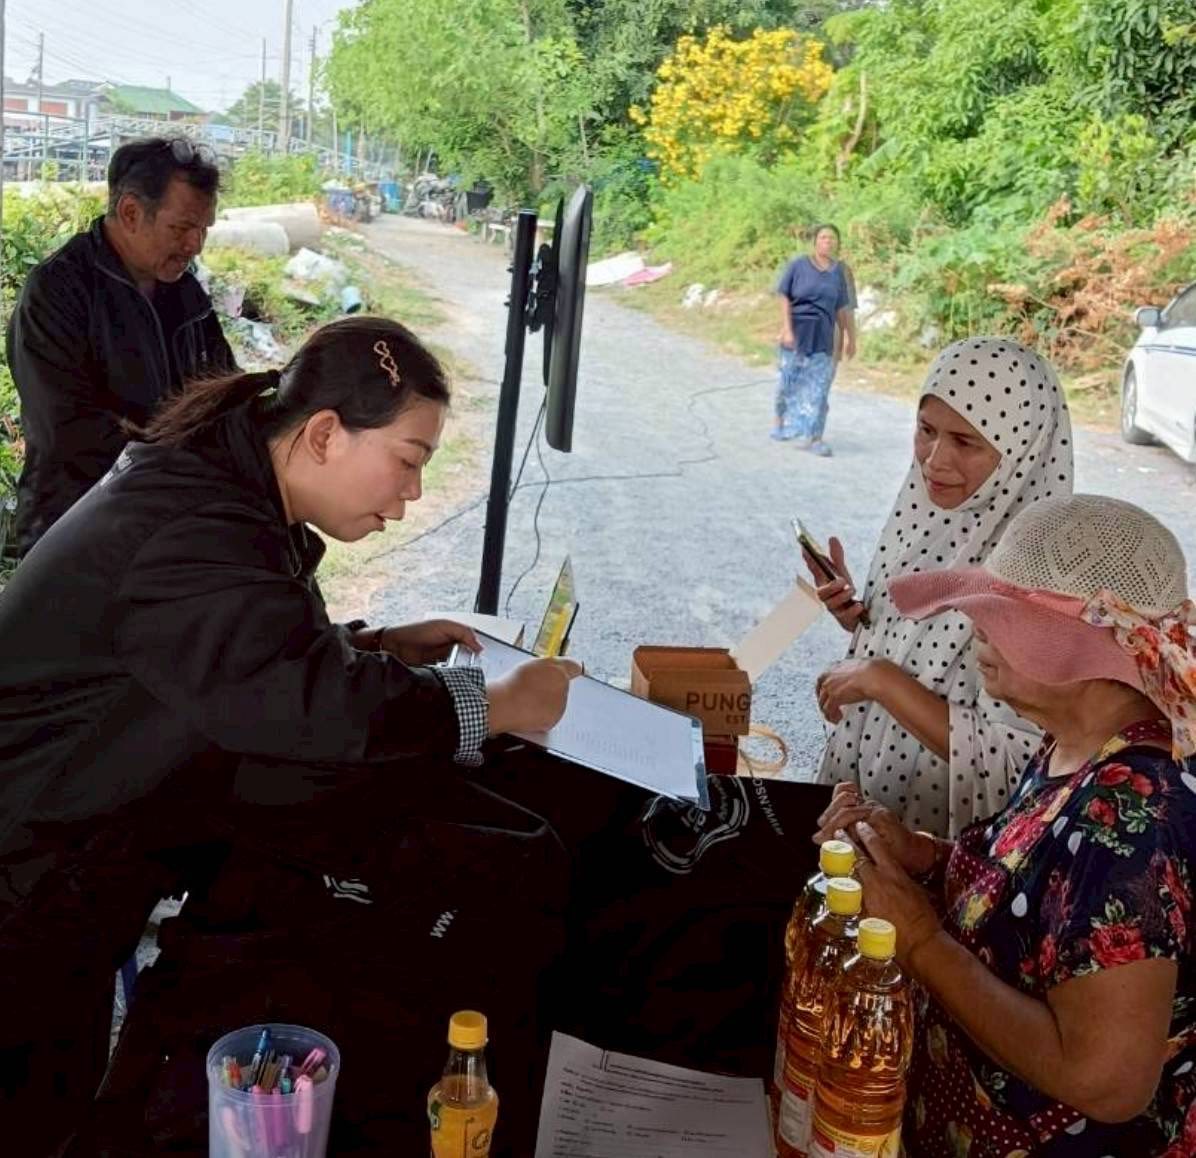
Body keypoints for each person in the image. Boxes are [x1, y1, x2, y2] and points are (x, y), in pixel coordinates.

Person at [0, 316, 578, 1152]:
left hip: (71, 847)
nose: (411, 494)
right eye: (409, 460)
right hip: (27, 872)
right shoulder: (194, 528)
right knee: (33, 1111)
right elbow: (310, 706)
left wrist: (367, 644)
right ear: (322, 435)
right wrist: (494, 705)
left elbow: (238, 653)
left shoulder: (221, 491)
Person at [815, 494, 1196, 1156]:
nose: (975, 635)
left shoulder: (1135, 818)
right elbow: (1035, 897)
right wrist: (924, 858)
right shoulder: (1076, 744)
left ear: (1077, 652)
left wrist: (923, 942)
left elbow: (1105, 1081)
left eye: (999, 622)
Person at [806, 337, 1074, 837]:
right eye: (926, 430)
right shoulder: (925, 518)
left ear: (1021, 448)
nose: (934, 460)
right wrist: (862, 620)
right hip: (859, 805)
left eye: (965, 442)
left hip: (936, 848)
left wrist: (880, 679)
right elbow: (923, 645)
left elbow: (1019, 760)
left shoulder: (1041, 574)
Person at [6, 135, 236, 557]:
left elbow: (225, 393)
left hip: (164, 522)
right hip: (72, 530)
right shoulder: (58, 291)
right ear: (130, 212)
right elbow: (65, 430)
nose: (195, 245)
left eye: (204, 230)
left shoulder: (186, 294)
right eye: (182, 228)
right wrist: (179, 461)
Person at [773, 222, 856, 455]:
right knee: (788, 382)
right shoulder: (798, 265)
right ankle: (780, 421)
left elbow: (842, 308)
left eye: (832, 238)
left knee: (819, 389)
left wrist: (850, 338)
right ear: (815, 241)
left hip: (824, 336)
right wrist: (786, 329)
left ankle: (815, 438)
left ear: (837, 243)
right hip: (797, 332)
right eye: (823, 238)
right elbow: (784, 296)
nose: (828, 242)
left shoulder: (838, 272)